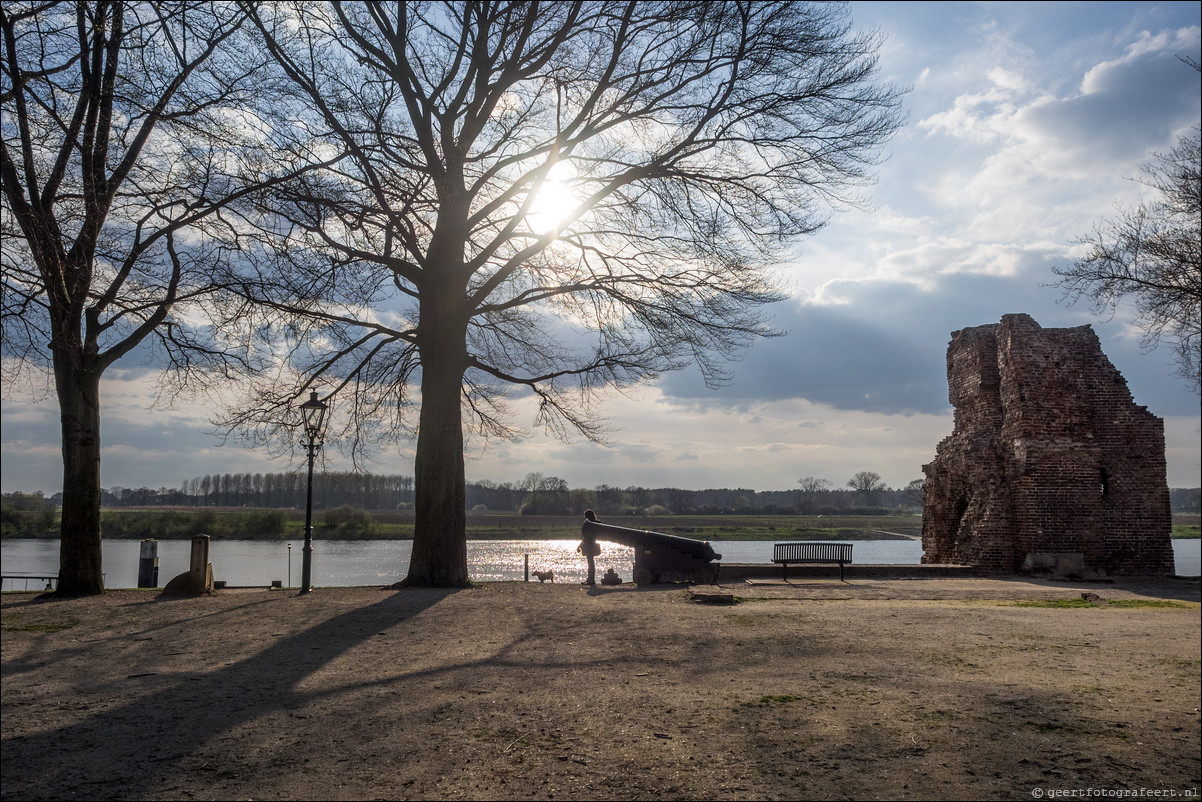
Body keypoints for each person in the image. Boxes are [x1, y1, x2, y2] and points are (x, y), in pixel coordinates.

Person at [578, 509, 602, 585]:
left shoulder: (589, 524)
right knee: (591, 563)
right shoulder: (595, 523)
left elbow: (586, 537)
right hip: (592, 544)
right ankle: (590, 579)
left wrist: (579, 546)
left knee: (590, 563)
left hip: (589, 545)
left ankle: (590, 580)